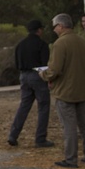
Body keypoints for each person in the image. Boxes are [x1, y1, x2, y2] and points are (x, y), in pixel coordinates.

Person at [42, 13, 85, 168]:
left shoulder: (60, 44)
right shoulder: (82, 41)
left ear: (60, 26)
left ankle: (71, 158)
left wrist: (43, 74)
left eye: (55, 27)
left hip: (65, 92)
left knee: (69, 127)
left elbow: (54, 70)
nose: (54, 30)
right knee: (84, 125)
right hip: (82, 91)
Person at [6, 20, 53, 148]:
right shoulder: (42, 45)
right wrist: (49, 79)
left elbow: (16, 64)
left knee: (24, 105)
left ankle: (13, 135)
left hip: (23, 75)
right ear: (39, 30)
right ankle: (40, 138)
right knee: (43, 106)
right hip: (37, 75)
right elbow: (44, 65)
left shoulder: (20, 45)